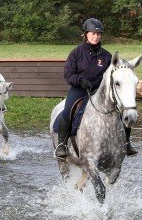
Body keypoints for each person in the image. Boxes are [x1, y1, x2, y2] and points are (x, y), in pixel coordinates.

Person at [54, 17, 136, 160]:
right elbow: (68, 74)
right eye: (92, 34)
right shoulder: (76, 53)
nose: (95, 37)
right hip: (80, 89)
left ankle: (126, 143)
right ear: (85, 34)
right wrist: (80, 81)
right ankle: (62, 144)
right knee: (67, 111)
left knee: (123, 109)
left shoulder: (106, 56)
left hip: (100, 91)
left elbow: (114, 74)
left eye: (98, 34)